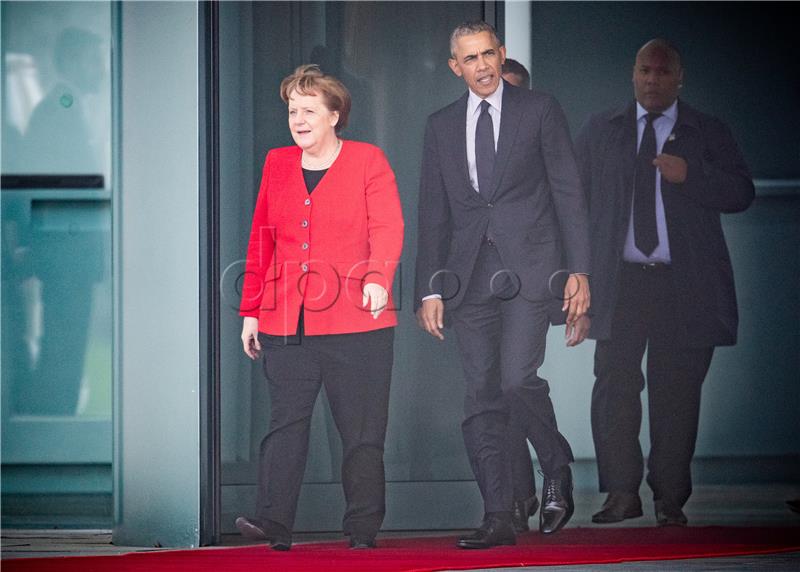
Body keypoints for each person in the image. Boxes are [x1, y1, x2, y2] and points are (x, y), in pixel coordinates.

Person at [414, 21, 591, 548]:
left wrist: (580, 270)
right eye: (470, 59)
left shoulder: (539, 110)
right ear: (455, 67)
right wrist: (429, 289)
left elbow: (568, 192)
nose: (483, 66)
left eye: (489, 54)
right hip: (468, 279)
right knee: (481, 396)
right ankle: (498, 515)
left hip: (531, 270)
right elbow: (434, 211)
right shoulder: (440, 125)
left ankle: (555, 464)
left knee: (516, 379)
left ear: (502, 53)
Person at [574, 39, 754, 527]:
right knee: (614, 388)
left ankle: (669, 499)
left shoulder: (707, 131)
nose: (652, 79)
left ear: (680, 78)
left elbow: (742, 192)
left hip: (685, 285)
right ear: (633, 74)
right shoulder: (602, 129)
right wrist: (577, 280)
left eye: (662, 71)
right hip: (620, 282)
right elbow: (575, 205)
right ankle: (620, 494)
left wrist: (691, 175)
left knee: (676, 394)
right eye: (644, 70)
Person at [235, 64, 404, 550]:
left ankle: (362, 528)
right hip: (287, 321)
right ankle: (274, 522)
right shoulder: (276, 162)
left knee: (362, 433)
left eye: (309, 110)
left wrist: (377, 279)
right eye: (293, 110)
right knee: (285, 425)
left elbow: (386, 227)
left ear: (335, 115)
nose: (299, 119)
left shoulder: (368, 160)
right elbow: (261, 238)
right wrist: (252, 310)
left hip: (359, 322)